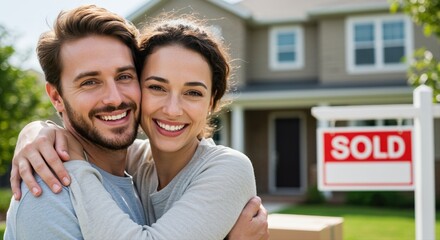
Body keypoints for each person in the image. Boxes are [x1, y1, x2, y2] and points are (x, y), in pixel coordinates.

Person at [5, 5, 268, 240]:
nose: (114, 98)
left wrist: (69, 156)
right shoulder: (48, 195)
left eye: (123, 77)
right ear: (56, 97)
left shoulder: (216, 168)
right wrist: (38, 130)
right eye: (90, 82)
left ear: (212, 102)